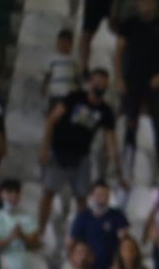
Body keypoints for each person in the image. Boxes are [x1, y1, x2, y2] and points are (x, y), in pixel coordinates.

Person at [40, 70, 121, 235]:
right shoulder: (74, 98)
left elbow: (111, 140)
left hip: (81, 157)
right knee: (48, 192)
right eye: (97, 81)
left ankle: (81, 236)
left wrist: (117, 166)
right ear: (90, 82)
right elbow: (52, 119)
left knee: (82, 198)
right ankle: (40, 230)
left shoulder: (106, 111)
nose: (100, 85)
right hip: (60, 152)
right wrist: (44, 148)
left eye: (104, 82)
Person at [114, 0, 159, 173]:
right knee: (130, 121)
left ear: (154, 4)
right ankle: (128, 161)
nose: (146, 6)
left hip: (154, 79)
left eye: (149, 2)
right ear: (136, 4)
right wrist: (119, 78)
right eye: (142, 2)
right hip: (132, 78)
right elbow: (118, 53)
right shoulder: (129, 24)